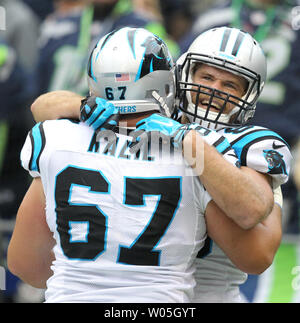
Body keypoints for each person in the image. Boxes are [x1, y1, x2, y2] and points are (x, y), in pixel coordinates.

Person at [7, 27, 240, 303]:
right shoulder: (199, 151)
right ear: (165, 83)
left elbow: (26, 265)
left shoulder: (55, 139)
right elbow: (249, 250)